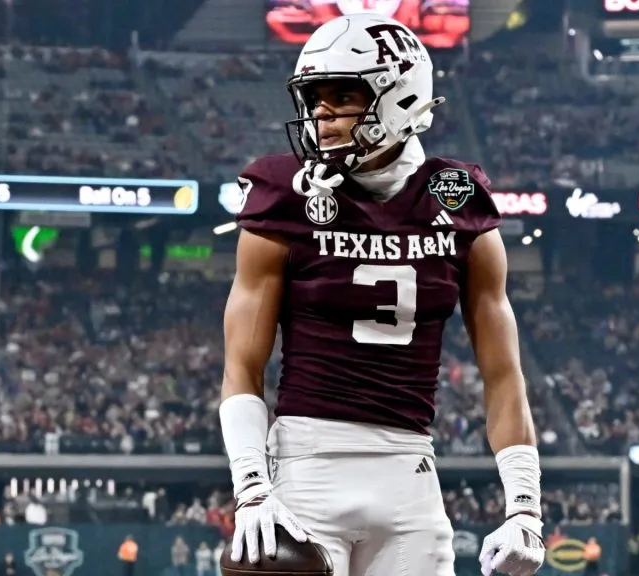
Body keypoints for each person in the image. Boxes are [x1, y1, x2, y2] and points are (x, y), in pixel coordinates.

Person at [219, 11, 544, 576]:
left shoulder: (458, 197)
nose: (321, 114)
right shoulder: (284, 195)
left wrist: (525, 508)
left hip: (409, 474)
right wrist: (250, 486)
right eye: (314, 98)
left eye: (341, 96)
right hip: (305, 467)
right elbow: (241, 365)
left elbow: (503, 373)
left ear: (399, 98)